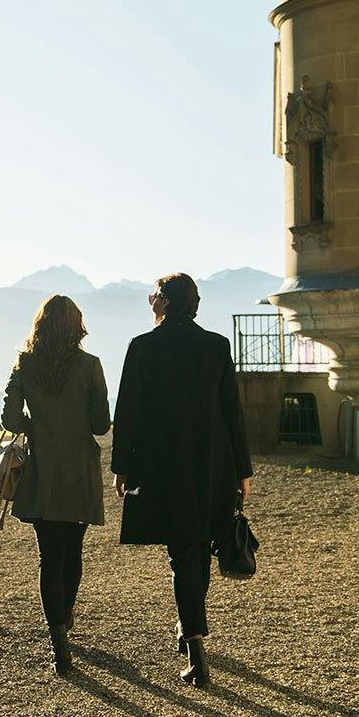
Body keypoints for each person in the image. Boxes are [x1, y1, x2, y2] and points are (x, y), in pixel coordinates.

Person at [111, 272, 251, 688]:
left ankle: (194, 644)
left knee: (184, 552)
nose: (149, 299)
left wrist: (122, 467)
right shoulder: (216, 346)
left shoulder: (142, 347)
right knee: (199, 546)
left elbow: (128, 414)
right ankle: (190, 629)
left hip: (164, 469)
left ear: (164, 303)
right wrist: (243, 471)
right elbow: (233, 414)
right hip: (213, 466)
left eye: (154, 294)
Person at [1, 294, 111, 676]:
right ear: (76, 325)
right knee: (72, 552)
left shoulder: (25, 364)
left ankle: (58, 643)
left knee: (49, 556)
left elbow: (11, 420)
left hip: (41, 469)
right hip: (79, 469)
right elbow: (101, 425)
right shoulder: (90, 366)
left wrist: (36, 427)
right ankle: (66, 618)